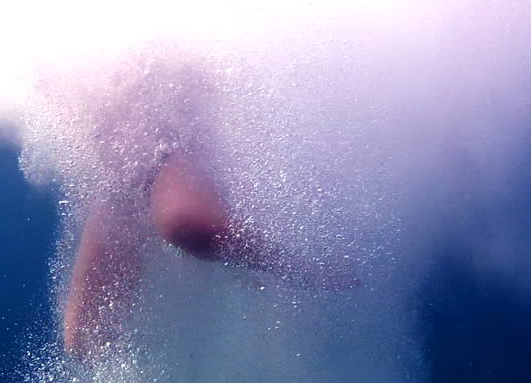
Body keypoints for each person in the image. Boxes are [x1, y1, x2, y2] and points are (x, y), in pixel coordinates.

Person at [49, 55, 357, 356]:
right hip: (117, 175)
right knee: (83, 341)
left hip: (165, 146)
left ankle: (306, 271)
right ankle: (291, 272)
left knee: (184, 223)